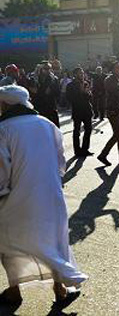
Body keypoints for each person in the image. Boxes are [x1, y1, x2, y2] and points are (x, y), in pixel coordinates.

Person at [0, 85, 87, 309]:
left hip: (15, 197)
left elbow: (2, 170)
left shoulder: (3, 128)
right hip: (50, 195)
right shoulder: (48, 125)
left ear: (5, 104)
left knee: (8, 242)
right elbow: (61, 163)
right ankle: (60, 289)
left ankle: (14, 291)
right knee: (53, 241)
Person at [66, 68, 94, 158]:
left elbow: (90, 97)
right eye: (80, 73)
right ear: (75, 75)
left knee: (88, 130)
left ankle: (85, 149)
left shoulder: (86, 83)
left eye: (82, 73)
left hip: (87, 110)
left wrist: (87, 93)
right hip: (77, 110)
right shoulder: (70, 85)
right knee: (76, 131)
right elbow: (70, 98)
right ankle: (77, 151)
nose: (82, 75)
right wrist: (80, 92)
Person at [32, 62, 61, 127]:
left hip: (51, 107)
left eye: (49, 68)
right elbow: (33, 92)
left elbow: (58, 93)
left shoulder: (54, 79)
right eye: (45, 68)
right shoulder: (34, 79)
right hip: (39, 107)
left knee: (54, 128)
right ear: (40, 69)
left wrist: (52, 91)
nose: (48, 70)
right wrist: (41, 92)